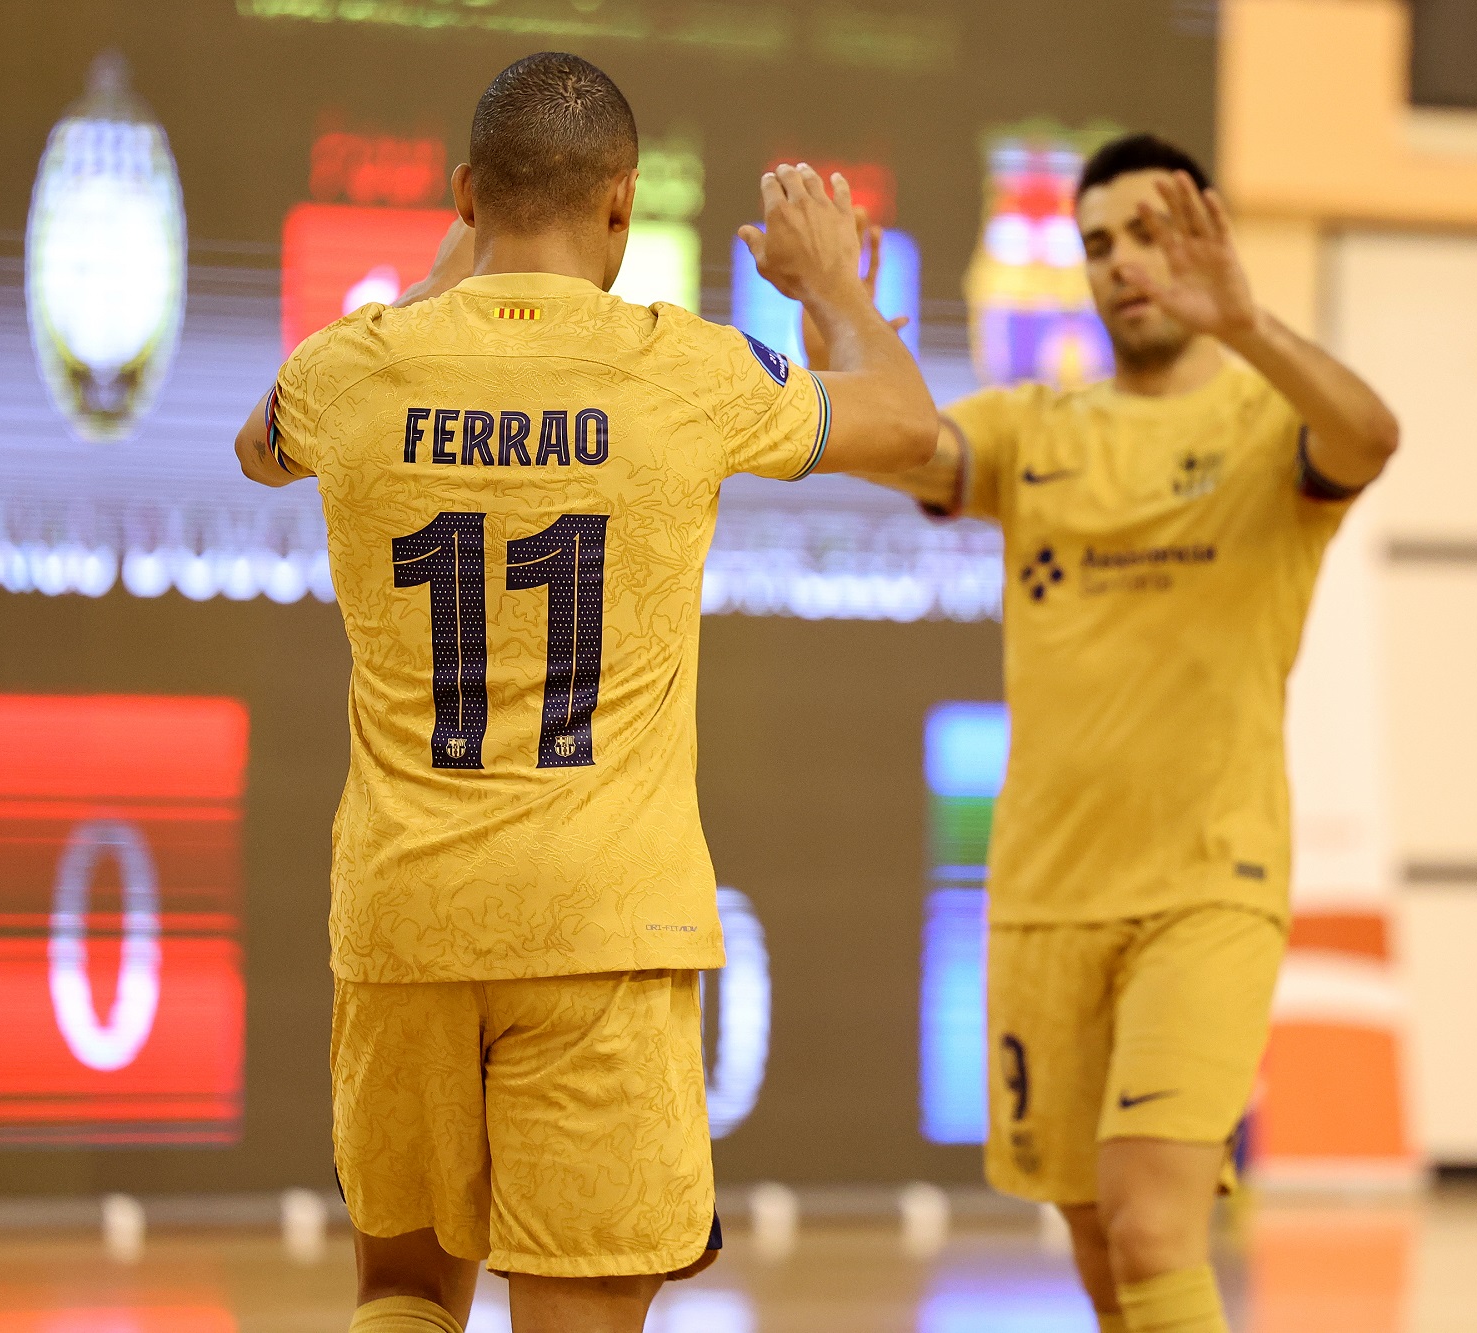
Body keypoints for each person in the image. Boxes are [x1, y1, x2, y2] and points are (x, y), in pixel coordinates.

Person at [232, 52, 935, 1333]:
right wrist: (829, 280)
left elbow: (254, 446)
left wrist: (459, 270)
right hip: (599, 925)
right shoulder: (683, 367)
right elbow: (910, 428)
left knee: (399, 1291)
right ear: (623, 203)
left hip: (401, 916)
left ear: (462, 194)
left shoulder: (352, 369)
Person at [841, 133, 1399, 1333]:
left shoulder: (1267, 426)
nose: (1122, 264)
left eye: (1150, 234)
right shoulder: (1037, 427)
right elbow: (898, 443)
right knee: (1103, 1249)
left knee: (1153, 1222)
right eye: (1098, 245)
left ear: (1209, 243)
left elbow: (1369, 436)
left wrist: (1247, 325)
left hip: (1207, 887)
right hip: (1046, 895)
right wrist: (841, 300)